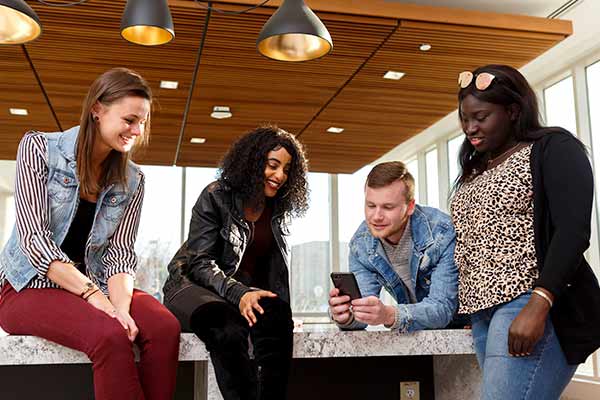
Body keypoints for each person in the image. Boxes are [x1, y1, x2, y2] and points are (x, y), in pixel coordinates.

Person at [0, 68, 181, 400]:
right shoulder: (39, 149)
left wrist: (121, 306)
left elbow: (120, 253)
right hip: (26, 287)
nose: (137, 131)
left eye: (142, 123)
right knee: (109, 335)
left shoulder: (133, 179)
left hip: (96, 285)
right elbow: (35, 240)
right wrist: (98, 300)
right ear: (97, 109)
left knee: (165, 328)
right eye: (129, 120)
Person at [451, 64, 600, 399]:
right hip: (482, 314)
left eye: (481, 116)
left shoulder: (553, 147)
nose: (470, 127)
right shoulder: (476, 167)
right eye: (464, 117)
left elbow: (573, 230)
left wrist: (539, 303)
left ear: (513, 110)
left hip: (526, 303)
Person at [163, 125, 309, 400]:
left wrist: (281, 315)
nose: (279, 176)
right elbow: (200, 263)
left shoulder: (278, 210)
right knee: (227, 327)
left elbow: (273, 273)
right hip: (191, 286)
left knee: (278, 315)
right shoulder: (215, 195)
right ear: (253, 162)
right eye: (272, 165)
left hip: (236, 293)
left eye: (286, 170)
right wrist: (239, 293)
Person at [328, 161, 458, 332]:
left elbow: (442, 309)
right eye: (371, 205)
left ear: (410, 207)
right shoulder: (361, 244)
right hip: (419, 333)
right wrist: (347, 316)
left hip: (464, 328)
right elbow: (364, 309)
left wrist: (388, 315)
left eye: (388, 207)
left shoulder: (442, 232)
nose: (376, 216)